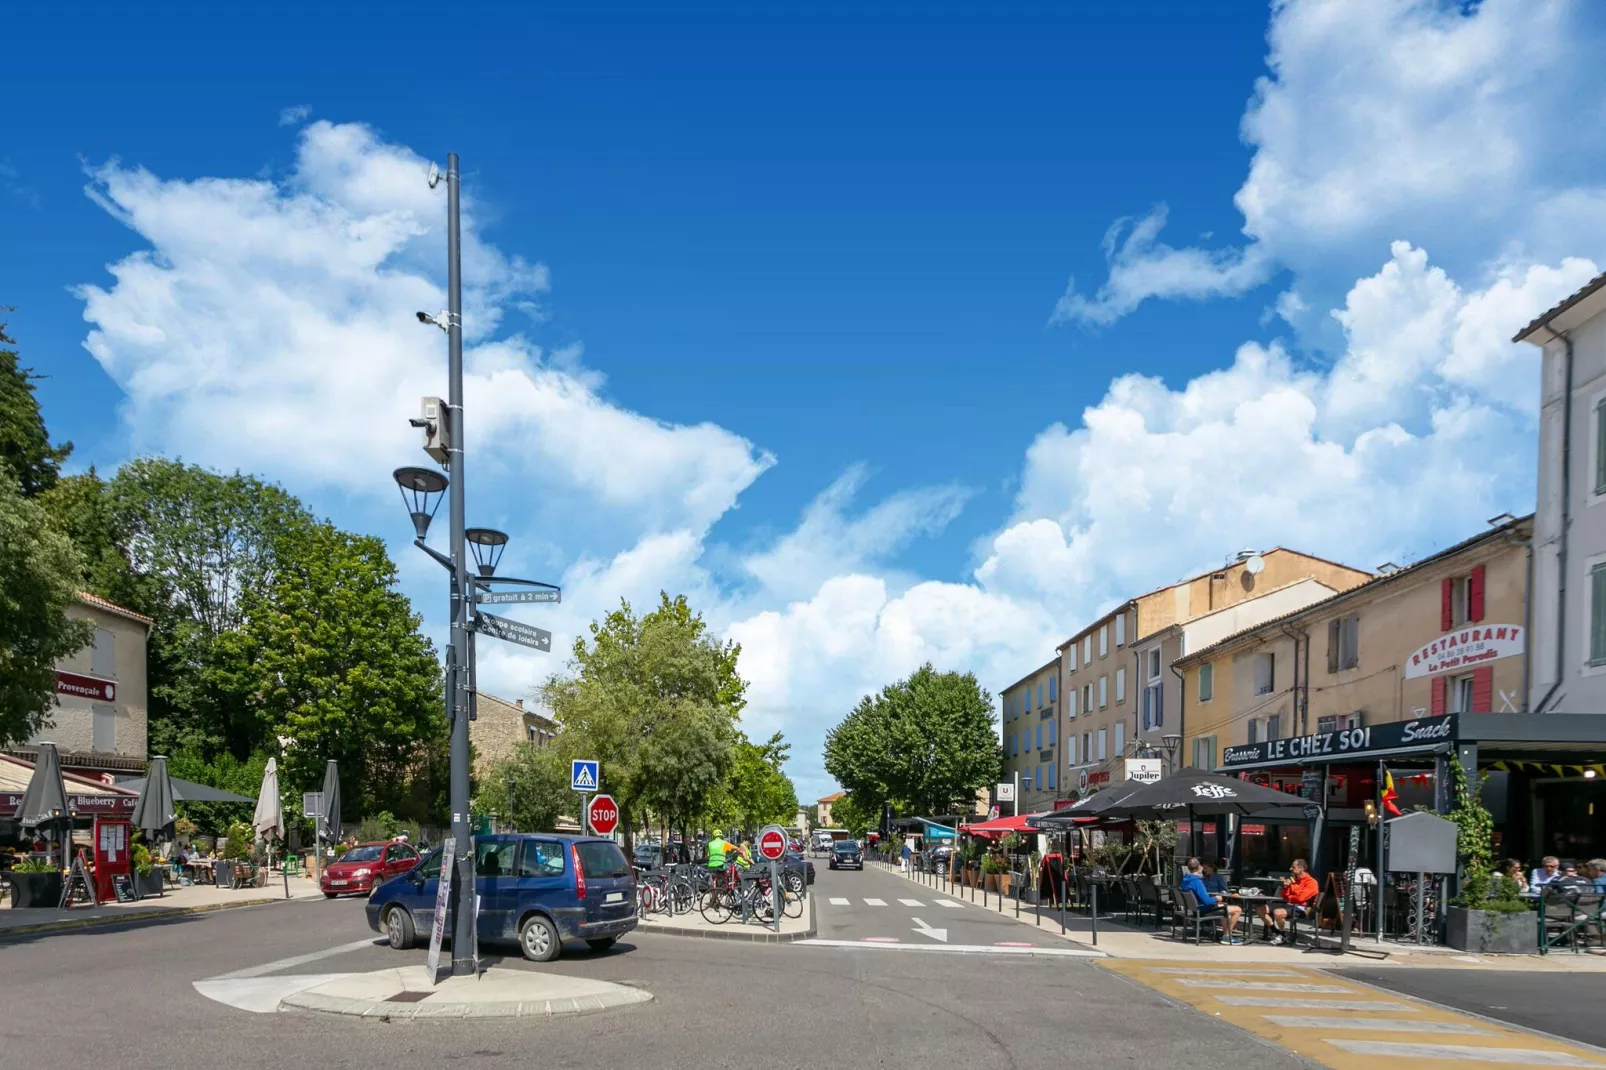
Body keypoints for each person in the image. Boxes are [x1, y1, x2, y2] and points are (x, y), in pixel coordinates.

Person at [1180, 857, 1243, 944]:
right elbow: (1207, 901)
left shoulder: (1185, 880)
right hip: (1203, 909)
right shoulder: (1197, 882)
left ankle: (1225, 935)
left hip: (1194, 909)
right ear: (1199, 867)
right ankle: (1227, 936)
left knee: (1224, 908)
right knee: (1237, 909)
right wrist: (1217, 898)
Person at [1256, 858, 1318, 946]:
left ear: (1301, 868)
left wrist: (1290, 894)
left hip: (1301, 907)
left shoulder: (1311, 882)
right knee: (1260, 909)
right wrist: (1285, 887)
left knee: (1278, 913)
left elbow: (1300, 899)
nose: (1291, 869)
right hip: (1288, 904)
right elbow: (1285, 896)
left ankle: (1281, 935)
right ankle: (1279, 933)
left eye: (1293, 867)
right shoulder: (1294, 880)